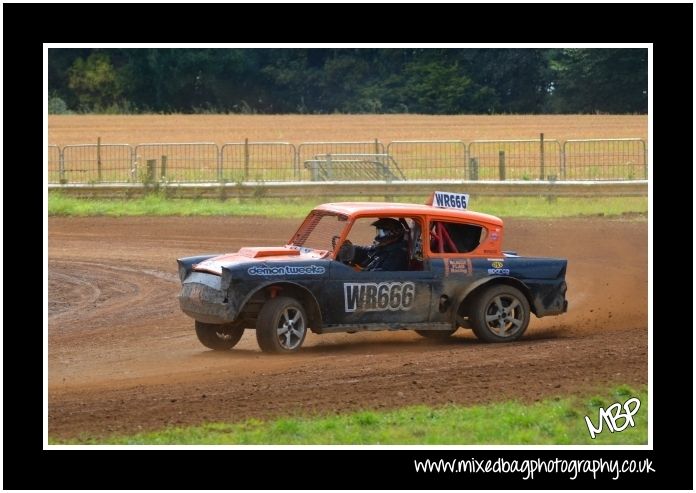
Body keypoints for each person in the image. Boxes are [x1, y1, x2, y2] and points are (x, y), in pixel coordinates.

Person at [339, 218, 409, 271]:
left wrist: (359, 272)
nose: (378, 236)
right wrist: (351, 247)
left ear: (393, 234)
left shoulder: (398, 254)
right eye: (378, 232)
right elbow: (366, 250)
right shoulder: (385, 247)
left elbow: (382, 276)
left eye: (382, 233)